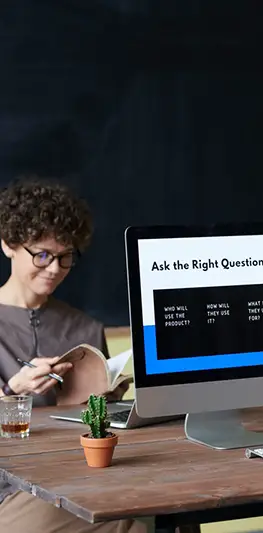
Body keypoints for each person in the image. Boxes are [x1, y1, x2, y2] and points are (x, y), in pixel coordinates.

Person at [0, 177, 142, 533]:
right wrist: (13, 391)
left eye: (65, 257)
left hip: (79, 475)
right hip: (11, 490)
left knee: (153, 504)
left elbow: (98, 427)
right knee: (133, 515)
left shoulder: (85, 329)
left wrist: (108, 402)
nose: (54, 269)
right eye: (42, 255)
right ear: (8, 245)